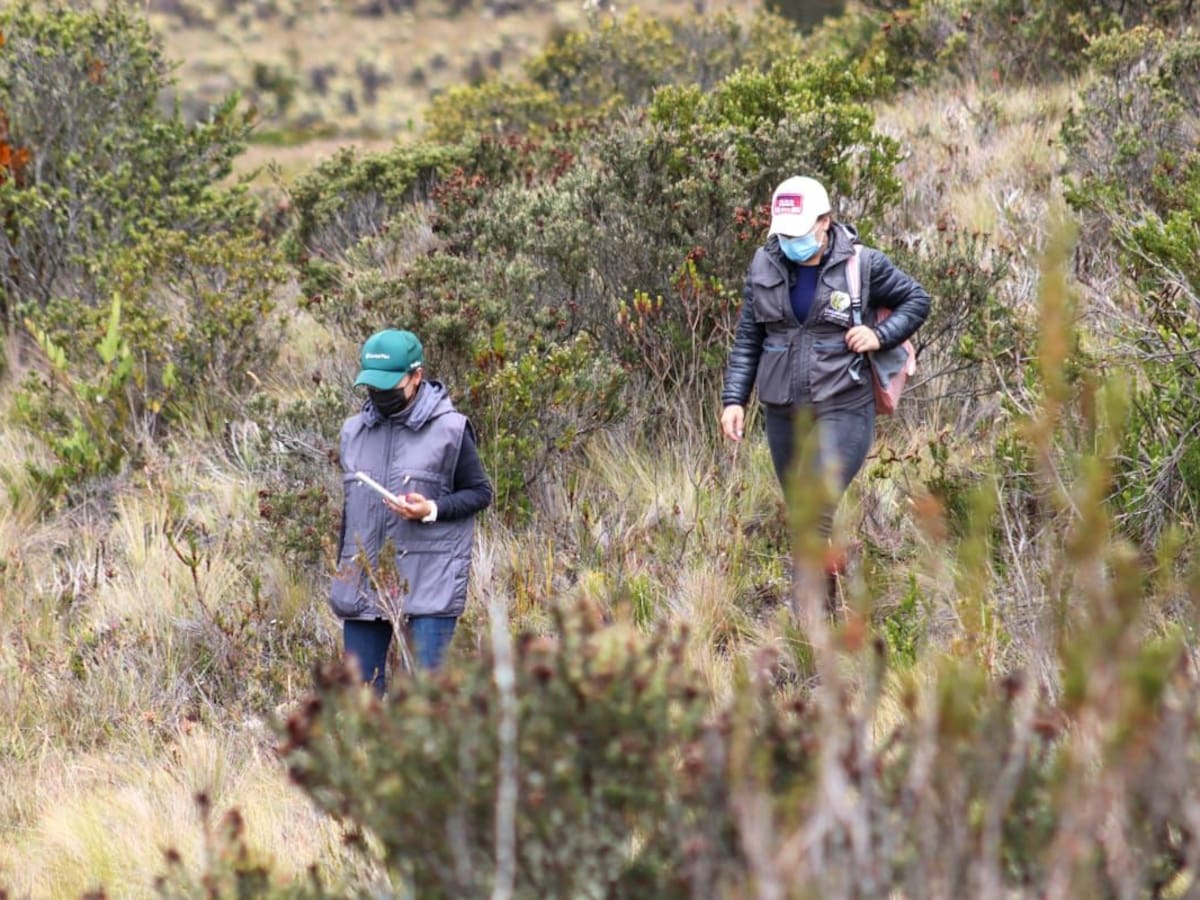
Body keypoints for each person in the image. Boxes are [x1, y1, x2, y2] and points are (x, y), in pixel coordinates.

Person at [719, 176, 930, 592]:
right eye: (783, 233)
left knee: (815, 508)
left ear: (825, 221)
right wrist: (734, 399)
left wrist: (879, 336)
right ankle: (831, 602)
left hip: (844, 405)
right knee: (803, 515)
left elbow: (917, 300)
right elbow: (749, 338)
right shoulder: (763, 265)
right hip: (783, 410)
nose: (790, 242)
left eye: (799, 232)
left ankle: (806, 617)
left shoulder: (862, 265)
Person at [330, 328, 493, 693]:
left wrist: (431, 508)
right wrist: (344, 573)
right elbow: (351, 510)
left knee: (425, 701)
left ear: (417, 376)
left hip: (430, 585)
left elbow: (480, 492)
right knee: (360, 699)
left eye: (389, 385)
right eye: (372, 386)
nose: (379, 394)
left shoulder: (451, 429)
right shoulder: (353, 432)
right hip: (363, 585)